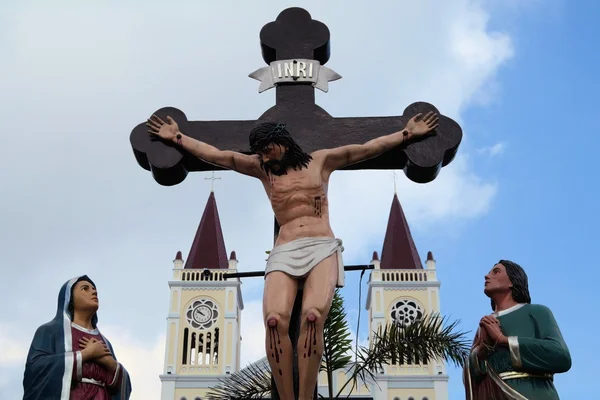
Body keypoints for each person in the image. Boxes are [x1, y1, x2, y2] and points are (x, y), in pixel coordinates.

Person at [146, 112, 438, 399]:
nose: (265, 158)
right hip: (284, 249)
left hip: (321, 246)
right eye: (260, 154)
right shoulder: (263, 170)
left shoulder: (321, 161)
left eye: (268, 150)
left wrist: (407, 135)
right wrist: (178, 139)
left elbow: (365, 149)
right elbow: (222, 156)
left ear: (281, 141)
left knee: (312, 317)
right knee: (274, 320)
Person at [463, 260, 571, 400]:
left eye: (496, 272)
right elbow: (473, 375)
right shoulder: (486, 325)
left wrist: (504, 340)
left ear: (512, 282)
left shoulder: (536, 312)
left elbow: (560, 355)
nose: (486, 276)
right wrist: (483, 349)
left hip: (533, 393)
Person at [23, 275, 132, 400]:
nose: (94, 291)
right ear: (70, 298)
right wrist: (86, 354)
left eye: (94, 289)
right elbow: (35, 370)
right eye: (85, 289)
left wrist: (109, 362)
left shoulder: (105, 342)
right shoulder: (49, 331)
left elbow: (122, 387)